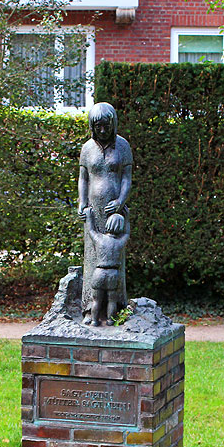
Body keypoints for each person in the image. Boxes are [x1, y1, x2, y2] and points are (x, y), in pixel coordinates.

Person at [77, 102, 133, 324]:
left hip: (115, 212)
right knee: (92, 257)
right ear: (92, 126)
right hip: (93, 210)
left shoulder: (122, 146)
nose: (102, 130)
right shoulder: (87, 148)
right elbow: (83, 178)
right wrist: (82, 203)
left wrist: (120, 201)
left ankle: (116, 308)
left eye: (106, 125)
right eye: (97, 126)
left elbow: (127, 178)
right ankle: (90, 310)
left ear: (113, 124)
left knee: (114, 258)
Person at [82, 207, 130, 326]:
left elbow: (91, 230)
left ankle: (94, 321)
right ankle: (110, 321)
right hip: (113, 274)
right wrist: (127, 217)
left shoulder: (99, 239)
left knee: (96, 300)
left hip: (99, 272)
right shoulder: (120, 242)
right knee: (112, 300)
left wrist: (89, 216)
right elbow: (127, 233)